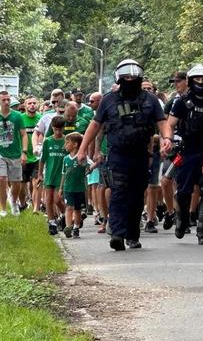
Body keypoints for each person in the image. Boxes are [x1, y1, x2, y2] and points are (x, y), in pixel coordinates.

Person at [77, 59, 172, 251]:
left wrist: (167, 138)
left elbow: (162, 122)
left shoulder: (150, 100)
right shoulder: (109, 100)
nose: (130, 79)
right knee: (119, 192)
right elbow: (95, 125)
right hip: (118, 154)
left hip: (141, 155)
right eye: (126, 77)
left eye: (133, 77)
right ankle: (118, 234)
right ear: (119, 79)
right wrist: (82, 150)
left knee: (137, 195)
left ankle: (132, 235)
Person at [168, 64, 203, 244]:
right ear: (190, 81)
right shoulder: (182, 102)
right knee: (183, 192)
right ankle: (181, 220)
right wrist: (168, 140)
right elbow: (170, 123)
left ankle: (202, 230)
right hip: (187, 150)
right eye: (197, 79)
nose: (200, 82)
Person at [160, 71, 189, 230]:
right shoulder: (171, 103)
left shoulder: (196, 100)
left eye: (179, 81)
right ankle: (171, 211)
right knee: (165, 181)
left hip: (189, 147)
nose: (176, 84)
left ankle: (184, 215)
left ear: (187, 81)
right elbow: (163, 125)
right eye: (174, 82)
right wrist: (163, 144)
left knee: (183, 185)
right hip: (173, 148)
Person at [0, 91, 28, 216]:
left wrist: (24, 152)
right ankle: (3, 208)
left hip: (15, 154)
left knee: (16, 183)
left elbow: (23, 135)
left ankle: (14, 202)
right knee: (1, 179)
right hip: (1, 153)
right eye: (3, 100)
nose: (6, 102)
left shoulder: (17, 116)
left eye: (8, 100)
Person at [59, 132, 91, 238]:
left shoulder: (82, 157)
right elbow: (63, 174)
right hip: (68, 188)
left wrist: (91, 166)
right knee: (68, 207)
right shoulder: (66, 159)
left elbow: (88, 168)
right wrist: (61, 187)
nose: (65, 145)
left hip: (80, 188)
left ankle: (76, 227)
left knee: (77, 210)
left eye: (67, 143)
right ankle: (68, 227)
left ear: (75, 144)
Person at [38, 116, 67, 234]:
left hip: (61, 175)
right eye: (56, 129)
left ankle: (66, 215)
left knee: (58, 199)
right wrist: (40, 174)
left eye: (60, 129)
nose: (58, 132)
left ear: (63, 128)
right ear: (52, 128)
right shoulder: (48, 141)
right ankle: (52, 223)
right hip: (49, 173)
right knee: (48, 199)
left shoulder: (66, 141)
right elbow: (42, 159)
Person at [20, 95, 42, 214]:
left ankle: (35, 209)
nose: (32, 105)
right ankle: (23, 205)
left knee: (35, 183)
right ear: (25, 105)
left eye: (34, 103)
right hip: (23, 156)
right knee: (21, 186)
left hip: (37, 157)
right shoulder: (20, 118)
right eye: (29, 103)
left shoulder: (41, 118)